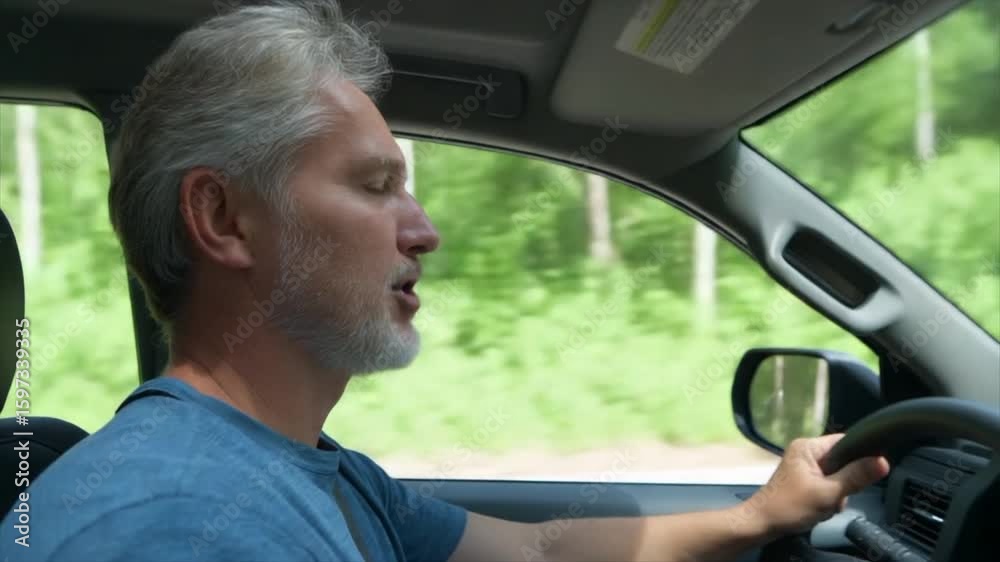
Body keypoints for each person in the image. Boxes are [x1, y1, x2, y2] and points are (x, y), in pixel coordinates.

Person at [0, 1, 889, 560]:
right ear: (225, 219)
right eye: (375, 185)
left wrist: (757, 516)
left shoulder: (305, 468)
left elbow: (540, 552)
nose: (424, 232)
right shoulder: (179, 523)